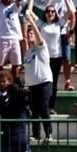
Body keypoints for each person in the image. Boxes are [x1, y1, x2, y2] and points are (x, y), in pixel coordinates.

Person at [0, 71, 51, 152]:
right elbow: (29, 109)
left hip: (9, 140)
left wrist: (5, 97)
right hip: (22, 141)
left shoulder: (7, 105)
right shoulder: (23, 105)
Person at [23, 11, 54, 144]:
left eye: (32, 33)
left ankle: (49, 133)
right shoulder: (27, 52)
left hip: (44, 82)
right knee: (34, 109)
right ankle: (36, 134)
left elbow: (38, 36)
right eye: (28, 33)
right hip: (32, 84)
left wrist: (32, 22)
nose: (30, 35)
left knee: (43, 106)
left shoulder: (42, 47)